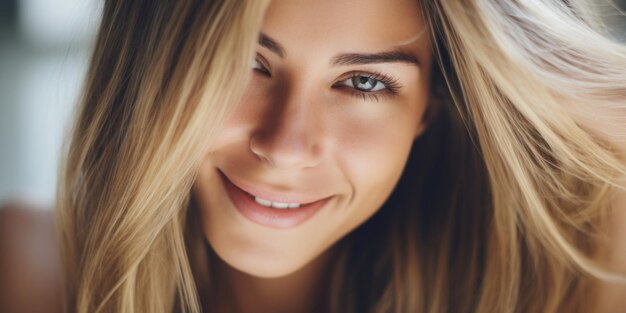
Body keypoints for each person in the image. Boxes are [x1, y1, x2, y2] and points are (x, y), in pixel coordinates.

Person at [47, 0, 626, 312]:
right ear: (157, 62)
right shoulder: (29, 277)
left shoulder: (569, 282)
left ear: (429, 105)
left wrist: (532, 48)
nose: (285, 147)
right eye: (244, 63)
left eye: (365, 83)